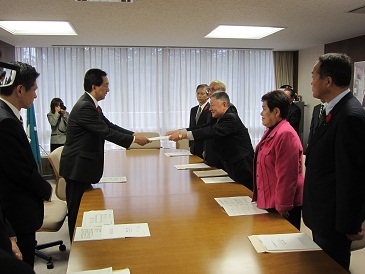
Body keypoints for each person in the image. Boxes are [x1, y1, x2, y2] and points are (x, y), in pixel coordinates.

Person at [59, 68, 151, 242]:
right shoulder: (85, 106)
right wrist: (133, 140)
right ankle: (76, 248)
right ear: (95, 87)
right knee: (76, 211)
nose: (108, 89)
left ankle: (82, 243)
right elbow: (106, 132)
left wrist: (133, 134)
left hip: (83, 165)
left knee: (82, 209)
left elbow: (109, 125)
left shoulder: (91, 104)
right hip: (77, 167)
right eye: (106, 86)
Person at [303, 53, 365, 271]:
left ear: (328, 81)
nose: (311, 81)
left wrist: (350, 224)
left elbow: (352, 178)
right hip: (322, 214)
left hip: (334, 222)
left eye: (314, 76)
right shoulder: (329, 109)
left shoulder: (350, 116)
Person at [0, 61, 52, 268]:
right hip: (16, 212)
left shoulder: (8, 114)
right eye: (34, 90)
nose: (36, 96)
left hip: (15, 209)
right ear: (20, 89)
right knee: (24, 262)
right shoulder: (6, 122)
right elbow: (20, 171)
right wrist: (46, 189)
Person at [168, 91, 254, 190]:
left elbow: (211, 131)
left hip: (242, 166)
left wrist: (182, 135)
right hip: (231, 164)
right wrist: (181, 131)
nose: (210, 108)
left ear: (224, 105)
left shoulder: (231, 118)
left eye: (212, 105)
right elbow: (205, 127)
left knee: (245, 194)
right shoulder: (221, 117)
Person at [252, 90, 304, 230]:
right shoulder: (271, 130)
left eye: (264, 109)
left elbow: (287, 175)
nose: (261, 114)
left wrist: (283, 205)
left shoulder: (285, 134)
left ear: (276, 112)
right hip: (270, 199)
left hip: (283, 205)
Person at [189, 84, 210, 158]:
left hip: (204, 147)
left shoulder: (211, 109)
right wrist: (190, 145)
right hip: (193, 147)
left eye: (202, 94)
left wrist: (206, 149)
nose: (199, 96)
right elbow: (191, 127)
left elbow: (208, 130)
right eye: (198, 93)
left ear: (208, 95)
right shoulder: (193, 110)